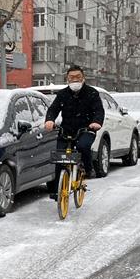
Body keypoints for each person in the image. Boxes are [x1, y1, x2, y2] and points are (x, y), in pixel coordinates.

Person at [44, 65, 104, 199]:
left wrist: (96, 122)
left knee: (83, 146)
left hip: (86, 129)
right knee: (60, 157)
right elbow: (53, 109)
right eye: (72, 77)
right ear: (67, 79)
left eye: (78, 77)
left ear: (83, 78)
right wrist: (49, 120)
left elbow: (99, 111)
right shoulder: (63, 94)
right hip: (66, 130)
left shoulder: (92, 93)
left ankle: (88, 169)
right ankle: (56, 190)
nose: (75, 80)